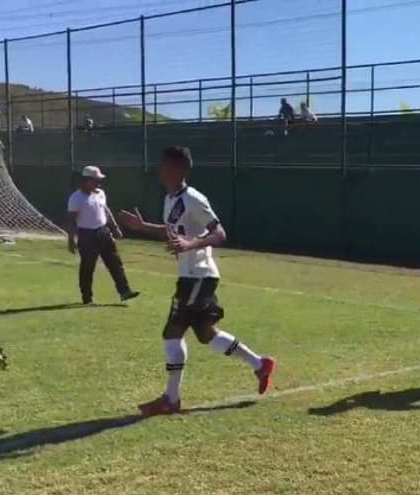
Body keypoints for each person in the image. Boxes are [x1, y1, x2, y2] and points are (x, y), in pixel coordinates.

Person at [117, 146, 277, 416]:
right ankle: (260, 364)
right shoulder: (170, 199)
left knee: (172, 333)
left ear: (180, 169)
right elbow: (172, 231)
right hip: (193, 277)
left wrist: (192, 243)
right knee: (207, 334)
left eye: (166, 165)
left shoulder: (193, 198)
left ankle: (171, 399)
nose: (160, 169)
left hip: (198, 276)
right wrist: (142, 226)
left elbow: (220, 233)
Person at [67, 166, 138, 305]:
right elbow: (71, 221)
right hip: (86, 235)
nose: (98, 183)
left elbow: (106, 210)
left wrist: (115, 227)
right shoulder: (76, 198)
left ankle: (124, 291)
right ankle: (87, 298)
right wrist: (71, 240)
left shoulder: (100, 193)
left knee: (115, 263)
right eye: (95, 180)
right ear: (86, 180)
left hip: (103, 232)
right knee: (88, 267)